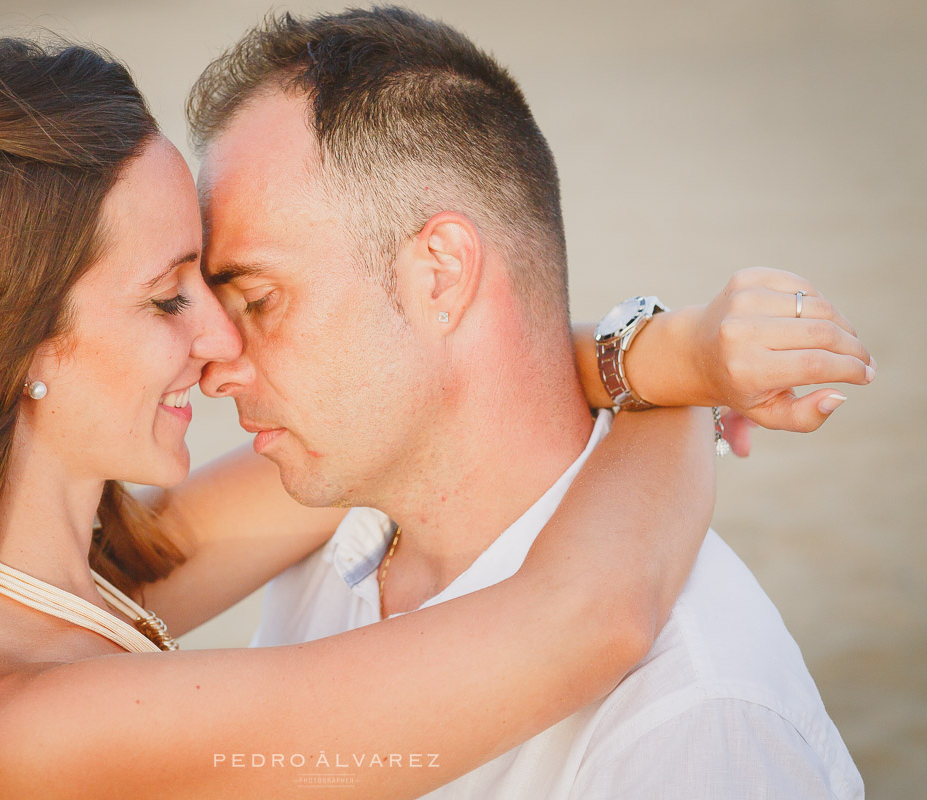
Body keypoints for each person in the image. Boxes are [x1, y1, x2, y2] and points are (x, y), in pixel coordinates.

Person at [0, 36, 860, 800]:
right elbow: (590, 622)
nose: (223, 346)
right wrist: (685, 372)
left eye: (239, 293)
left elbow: (445, 400)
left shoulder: (76, 579)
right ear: (13, 345)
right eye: (169, 295)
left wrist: (650, 354)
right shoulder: (14, 721)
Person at [182, 7, 867, 798]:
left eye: (259, 301)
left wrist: (666, 370)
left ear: (439, 271)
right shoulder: (326, 546)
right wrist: (666, 367)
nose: (214, 368)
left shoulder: (691, 721)